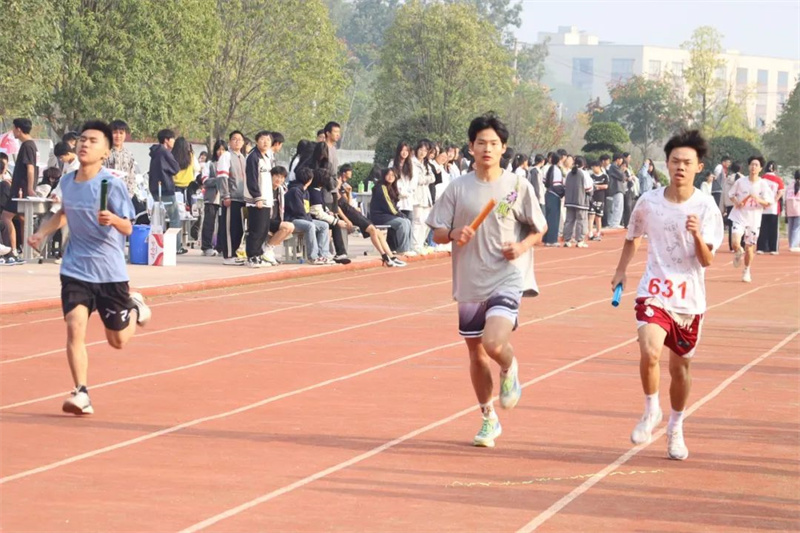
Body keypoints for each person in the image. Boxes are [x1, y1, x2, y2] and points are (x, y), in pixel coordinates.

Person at [426, 114, 547, 448]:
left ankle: (509, 366)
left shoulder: (517, 186)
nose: (487, 149)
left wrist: (521, 247)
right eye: (481, 143)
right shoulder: (458, 188)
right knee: (477, 354)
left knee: (494, 344)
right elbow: (436, 232)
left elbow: (539, 228)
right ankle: (488, 418)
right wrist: (453, 233)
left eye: (494, 143)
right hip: (469, 280)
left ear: (503, 148)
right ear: (471, 146)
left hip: (507, 276)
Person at [611, 129, 723, 461]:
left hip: (689, 300)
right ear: (667, 163)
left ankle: (675, 426)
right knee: (649, 350)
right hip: (654, 290)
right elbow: (632, 236)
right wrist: (621, 270)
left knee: (680, 369)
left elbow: (707, 260)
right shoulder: (649, 202)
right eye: (675, 161)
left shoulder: (706, 207)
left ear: (699, 167)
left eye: (687, 162)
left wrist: (697, 236)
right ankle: (651, 410)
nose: (680, 167)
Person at [28, 120, 151, 415]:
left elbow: (129, 227)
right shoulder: (68, 182)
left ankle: (134, 306)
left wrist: (114, 220)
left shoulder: (112, 185)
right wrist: (41, 233)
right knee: (74, 327)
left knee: (117, 340)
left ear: (106, 152)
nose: (85, 144)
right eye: (82, 139)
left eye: (93, 141)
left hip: (109, 272)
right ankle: (81, 391)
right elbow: (63, 213)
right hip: (75, 269)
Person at [335, 164, 406, 267]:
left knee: (378, 232)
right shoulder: (334, 193)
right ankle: (385, 256)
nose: (339, 182)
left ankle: (391, 256)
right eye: (337, 180)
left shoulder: (341, 190)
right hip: (350, 215)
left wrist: (349, 193)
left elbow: (348, 204)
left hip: (353, 212)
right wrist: (346, 220)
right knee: (373, 230)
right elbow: (337, 208)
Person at [729, 156, 774, 283]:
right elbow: (731, 195)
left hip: (754, 220)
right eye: (752, 164)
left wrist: (757, 199)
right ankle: (738, 251)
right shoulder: (740, 182)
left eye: (756, 165)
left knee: (749, 248)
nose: (753, 167)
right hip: (739, 216)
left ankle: (747, 269)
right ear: (748, 166)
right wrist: (737, 202)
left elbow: (768, 203)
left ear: (760, 168)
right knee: (735, 243)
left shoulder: (763, 184)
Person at [2, 118, 38, 264]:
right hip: (21, 188)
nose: (12, 131)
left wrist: (29, 188)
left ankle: (13, 250)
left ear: (18, 129)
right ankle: (27, 249)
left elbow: (30, 168)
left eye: (13, 128)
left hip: (20, 191)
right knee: (23, 219)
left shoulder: (27, 145)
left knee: (6, 217)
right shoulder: (30, 145)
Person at [243, 131, 273, 268]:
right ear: (256, 141)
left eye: (268, 140)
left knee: (264, 229)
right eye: (262, 139)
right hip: (257, 201)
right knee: (256, 229)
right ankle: (252, 256)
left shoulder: (266, 157)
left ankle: (258, 255)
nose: (265, 142)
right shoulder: (253, 157)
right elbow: (252, 178)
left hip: (266, 199)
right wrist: (257, 197)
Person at [369, 167, 413, 254]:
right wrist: (398, 214)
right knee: (402, 223)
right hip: (379, 216)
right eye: (388, 175)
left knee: (407, 221)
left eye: (393, 175)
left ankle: (407, 248)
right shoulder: (381, 187)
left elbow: (393, 205)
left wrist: (399, 214)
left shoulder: (391, 187)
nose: (390, 177)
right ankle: (402, 250)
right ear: (384, 175)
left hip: (388, 216)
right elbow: (388, 204)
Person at [200, 139, 226, 256]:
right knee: (209, 223)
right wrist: (219, 180)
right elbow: (205, 180)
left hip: (224, 198)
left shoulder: (228, 164)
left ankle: (221, 247)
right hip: (211, 198)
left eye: (223, 149)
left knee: (223, 224)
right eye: (218, 149)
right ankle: (206, 247)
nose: (221, 152)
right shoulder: (209, 164)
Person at [563, 156, 593, 248]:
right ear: (583, 164)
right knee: (581, 220)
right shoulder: (584, 173)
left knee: (569, 221)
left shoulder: (569, 173)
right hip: (581, 201)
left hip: (569, 201)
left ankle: (567, 240)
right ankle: (580, 240)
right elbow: (588, 188)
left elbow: (565, 185)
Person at [756, 161, 784, 255]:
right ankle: (773, 248)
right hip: (773, 208)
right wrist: (774, 201)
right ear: (775, 169)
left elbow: (757, 193)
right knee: (773, 229)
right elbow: (780, 192)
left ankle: (761, 248)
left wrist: (762, 202)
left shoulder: (761, 179)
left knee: (762, 228)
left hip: (762, 207)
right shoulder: (778, 179)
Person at [588, 160, 608, 240]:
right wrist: (598, 186)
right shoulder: (591, 176)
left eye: (594, 167)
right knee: (591, 215)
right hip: (592, 198)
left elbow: (606, 186)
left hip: (600, 198)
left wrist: (597, 186)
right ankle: (590, 232)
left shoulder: (604, 176)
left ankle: (598, 232)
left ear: (599, 167)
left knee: (598, 217)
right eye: (592, 167)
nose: (593, 168)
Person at [786, 170, 800, 252]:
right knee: (796, 228)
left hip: (790, 210)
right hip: (798, 210)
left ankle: (791, 244)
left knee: (790, 228)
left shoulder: (789, 186)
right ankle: (793, 245)